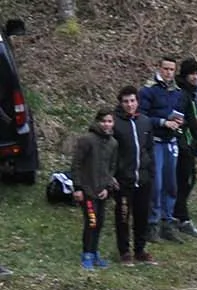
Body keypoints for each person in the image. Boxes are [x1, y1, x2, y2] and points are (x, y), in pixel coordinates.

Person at [138, 56, 184, 243]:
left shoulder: (177, 92)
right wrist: (163, 122)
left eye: (172, 70)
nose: (168, 73)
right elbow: (142, 116)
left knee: (170, 184)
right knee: (156, 185)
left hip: (171, 141)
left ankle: (167, 221)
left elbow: (182, 112)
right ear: (159, 69)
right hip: (155, 140)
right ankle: (152, 223)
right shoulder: (149, 90)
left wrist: (179, 121)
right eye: (165, 69)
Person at [112, 86, 156, 266]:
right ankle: (124, 252)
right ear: (120, 103)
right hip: (123, 179)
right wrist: (113, 175)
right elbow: (110, 152)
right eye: (125, 101)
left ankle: (140, 249)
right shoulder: (115, 123)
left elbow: (150, 148)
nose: (129, 105)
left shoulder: (145, 121)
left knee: (142, 215)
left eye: (132, 101)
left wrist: (150, 170)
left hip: (143, 177)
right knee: (123, 216)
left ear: (137, 102)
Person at [71, 108, 118, 271]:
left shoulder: (113, 143)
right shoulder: (87, 140)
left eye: (110, 121)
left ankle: (95, 251)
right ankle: (87, 254)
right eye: (103, 121)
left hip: (102, 192)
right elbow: (76, 164)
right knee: (91, 221)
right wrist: (77, 187)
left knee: (100, 222)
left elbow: (111, 168)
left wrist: (108, 188)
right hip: (87, 191)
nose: (106, 124)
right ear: (98, 122)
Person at [171, 58, 197, 238]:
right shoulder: (182, 94)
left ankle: (179, 215)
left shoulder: (192, 94)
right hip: (183, 145)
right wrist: (184, 142)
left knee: (189, 181)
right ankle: (180, 217)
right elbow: (180, 120)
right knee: (184, 181)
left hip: (191, 144)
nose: (194, 77)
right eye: (191, 74)